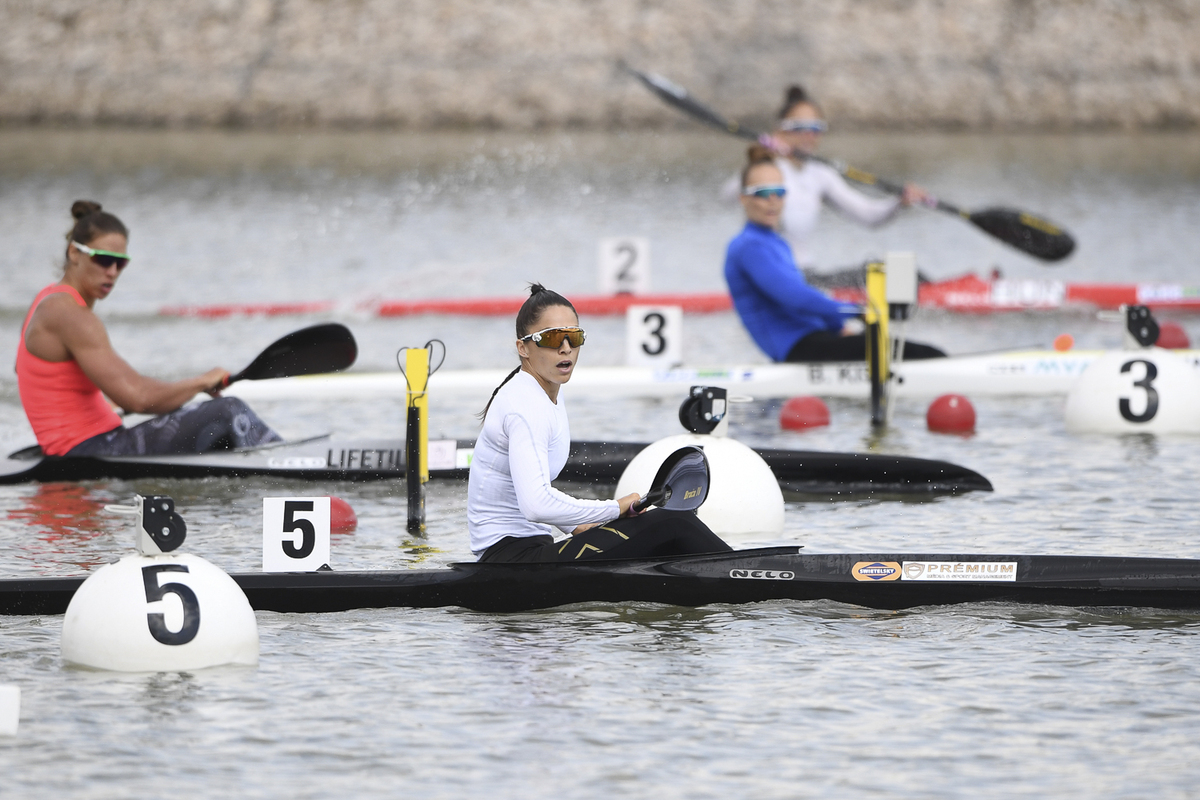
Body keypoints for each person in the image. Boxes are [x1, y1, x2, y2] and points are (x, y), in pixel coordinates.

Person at [468, 284, 731, 563]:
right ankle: (751, 571)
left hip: (529, 549)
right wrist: (615, 508)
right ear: (523, 348)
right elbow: (536, 505)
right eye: (553, 338)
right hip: (509, 560)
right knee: (673, 524)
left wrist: (579, 527)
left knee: (657, 529)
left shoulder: (544, 393)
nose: (566, 348)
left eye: (573, 336)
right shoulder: (524, 405)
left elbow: (531, 495)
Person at [15, 200, 283, 457]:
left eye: (120, 263)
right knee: (228, 411)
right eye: (104, 259)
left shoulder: (46, 300)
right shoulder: (71, 314)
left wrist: (99, 405)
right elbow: (139, 399)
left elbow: (28, 371)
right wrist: (201, 382)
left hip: (78, 445)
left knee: (217, 433)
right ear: (74, 253)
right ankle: (295, 463)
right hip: (91, 451)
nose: (112, 272)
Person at [725, 147, 946, 363]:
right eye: (763, 193)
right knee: (926, 355)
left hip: (817, 340)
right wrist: (857, 311)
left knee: (915, 350)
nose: (773, 200)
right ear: (743, 198)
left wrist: (839, 327)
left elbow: (806, 300)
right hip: (797, 349)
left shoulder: (777, 243)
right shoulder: (748, 247)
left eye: (780, 192)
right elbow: (796, 298)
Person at [725, 85, 931, 287]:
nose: (809, 135)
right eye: (799, 128)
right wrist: (763, 155)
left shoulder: (821, 174)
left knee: (902, 273)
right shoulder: (767, 170)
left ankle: (936, 298)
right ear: (780, 131)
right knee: (895, 280)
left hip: (807, 277)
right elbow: (727, 196)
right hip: (771, 276)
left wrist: (899, 202)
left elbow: (868, 215)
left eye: (816, 128)